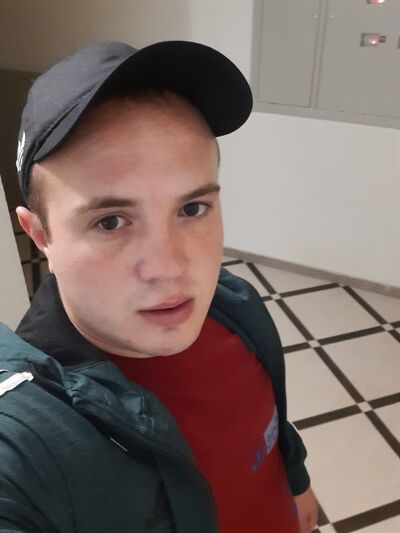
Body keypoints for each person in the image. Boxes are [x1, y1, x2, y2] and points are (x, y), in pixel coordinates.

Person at [0, 40, 318, 532]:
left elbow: (270, 425)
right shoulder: (30, 437)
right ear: (40, 234)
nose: (170, 269)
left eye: (192, 209)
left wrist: (296, 481)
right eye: (110, 221)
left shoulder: (237, 305)